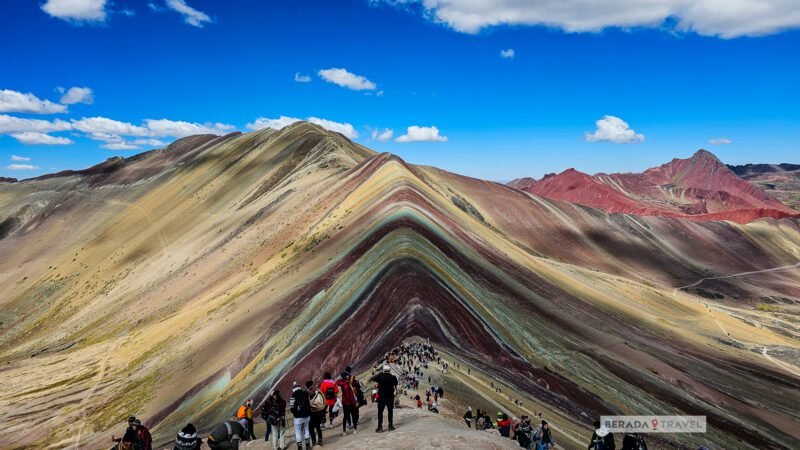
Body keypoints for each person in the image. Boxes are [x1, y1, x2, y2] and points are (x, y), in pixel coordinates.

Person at [370, 364, 398, 432]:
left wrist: (380, 374)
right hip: (390, 397)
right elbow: (396, 383)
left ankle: (380, 427)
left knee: (380, 412)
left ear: (383, 370)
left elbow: (373, 378)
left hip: (381, 397)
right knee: (390, 412)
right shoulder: (393, 377)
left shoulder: (380, 376)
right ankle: (390, 426)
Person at [290, 382, 312, 450]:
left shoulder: (292, 396)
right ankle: (308, 446)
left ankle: (300, 448)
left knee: (298, 432)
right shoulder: (305, 393)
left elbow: (292, 408)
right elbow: (309, 404)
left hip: (298, 417)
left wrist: (295, 413)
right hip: (306, 415)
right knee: (306, 430)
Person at [336, 371, 359, 435]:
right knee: (353, 415)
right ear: (346, 377)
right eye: (347, 376)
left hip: (345, 403)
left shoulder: (343, 383)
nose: (349, 376)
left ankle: (344, 431)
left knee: (345, 416)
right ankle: (355, 429)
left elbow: (338, 381)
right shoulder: (346, 385)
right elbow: (349, 395)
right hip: (350, 403)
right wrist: (355, 402)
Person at [306, 381, 324, 447]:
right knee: (318, 427)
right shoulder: (316, 392)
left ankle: (314, 441)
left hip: (311, 413)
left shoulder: (306, 393)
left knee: (311, 428)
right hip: (317, 412)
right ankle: (320, 440)